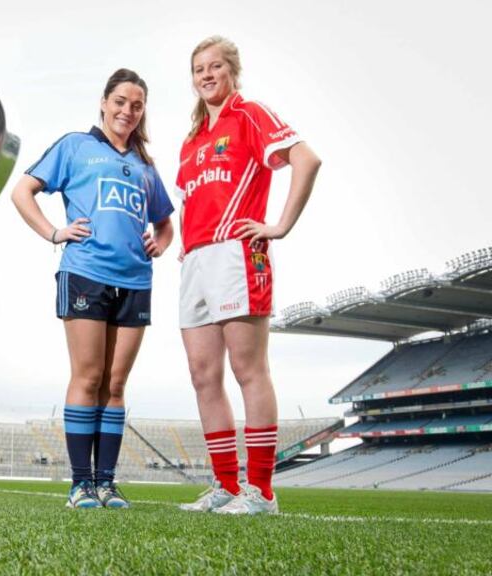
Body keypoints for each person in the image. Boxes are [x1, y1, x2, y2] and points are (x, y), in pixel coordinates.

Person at [11, 68, 174, 509]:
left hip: (136, 280)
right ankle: (80, 484)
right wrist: (54, 233)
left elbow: (165, 225)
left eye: (137, 105)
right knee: (89, 376)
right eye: (120, 101)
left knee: (116, 384)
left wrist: (158, 242)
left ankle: (106, 482)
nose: (128, 111)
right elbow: (22, 191)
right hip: (85, 273)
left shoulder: (145, 165)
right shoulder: (75, 146)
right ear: (104, 102)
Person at [174, 36, 321, 515]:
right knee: (203, 376)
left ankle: (261, 491)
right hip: (196, 260)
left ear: (232, 71)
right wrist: (185, 242)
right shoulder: (192, 141)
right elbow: (194, 198)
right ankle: (226, 486)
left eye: (215, 66)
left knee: (247, 369)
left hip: (238, 254)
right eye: (199, 69)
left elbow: (307, 159)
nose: (207, 75)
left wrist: (280, 226)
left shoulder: (251, 114)